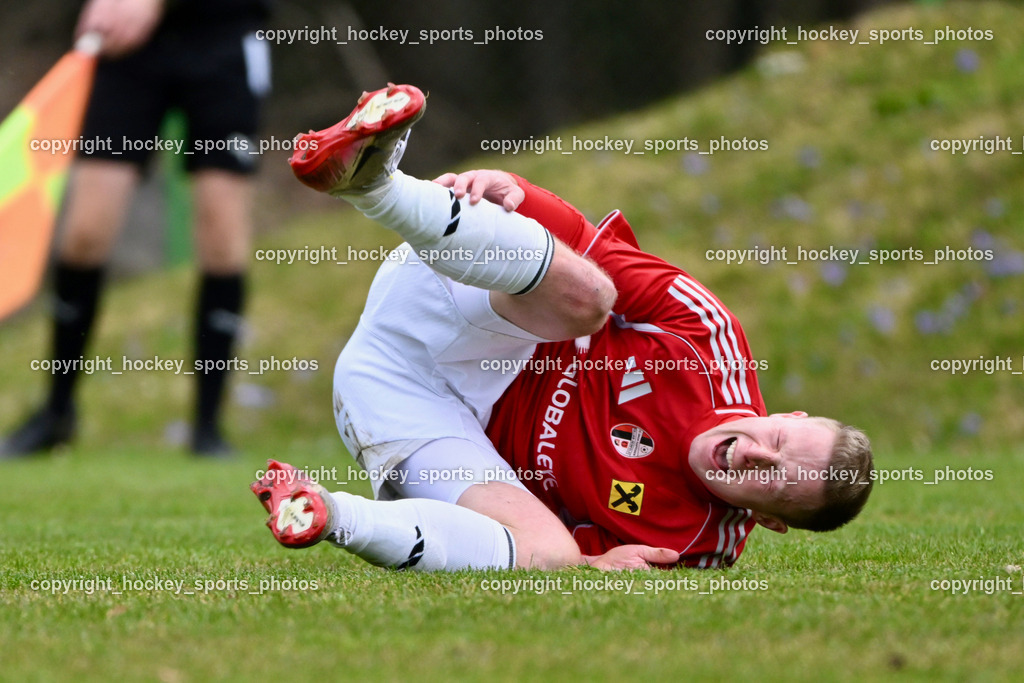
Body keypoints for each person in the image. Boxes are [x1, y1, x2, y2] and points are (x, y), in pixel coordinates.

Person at [251, 84, 874, 571]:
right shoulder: (710, 343)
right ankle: (378, 187)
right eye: (779, 443)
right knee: (594, 299)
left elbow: (582, 561)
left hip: (405, 408)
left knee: (549, 556)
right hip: (460, 302)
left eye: (771, 480)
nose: (755, 455)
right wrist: (516, 189)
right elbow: (586, 246)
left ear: (767, 522)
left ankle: (323, 513)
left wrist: (593, 567)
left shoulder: (693, 542)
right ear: (789, 417)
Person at [1, 0, 271, 457]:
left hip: (224, 37)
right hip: (130, 49)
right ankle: (56, 413)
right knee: (85, 234)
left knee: (223, 239)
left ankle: (207, 430)